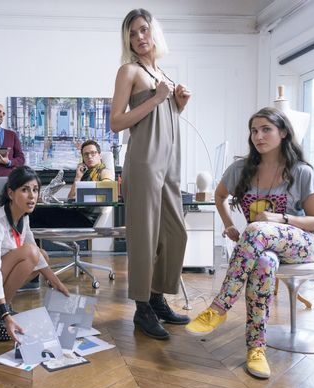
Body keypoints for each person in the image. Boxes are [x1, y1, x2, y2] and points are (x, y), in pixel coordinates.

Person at [185, 107, 314, 379]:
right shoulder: (241, 169)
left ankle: (219, 307)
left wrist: (280, 218)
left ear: (283, 133)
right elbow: (219, 196)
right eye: (254, 131)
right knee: (262, 263)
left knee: (257, 229)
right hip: (264, 248)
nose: (258, 136)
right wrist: (228, 224)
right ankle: (256, 348)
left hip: (304, 243)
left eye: (266, 129)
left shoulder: (301, 172)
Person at [110, 8, 191, 340]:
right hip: (143, 163)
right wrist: (158, 98)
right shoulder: (129, 71)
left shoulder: (163, 74)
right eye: (132, 34)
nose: (139, 37)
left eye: (143, 30)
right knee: (144, 237)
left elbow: (162, 119)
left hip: (169, 164)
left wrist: (178, 103)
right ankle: (143, 308)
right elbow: (116, 122)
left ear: (154, 31)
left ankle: (157, 297)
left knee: (174, 234)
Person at [0, 166, 70, 341]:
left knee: (41, 255)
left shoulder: (23, 217)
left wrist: (57, 283)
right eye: (25, 190)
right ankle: (2, 311)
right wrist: (5, 313)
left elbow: (36, 254)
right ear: (11, 193)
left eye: (35, 190)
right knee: (31, 252)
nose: (32, 196)